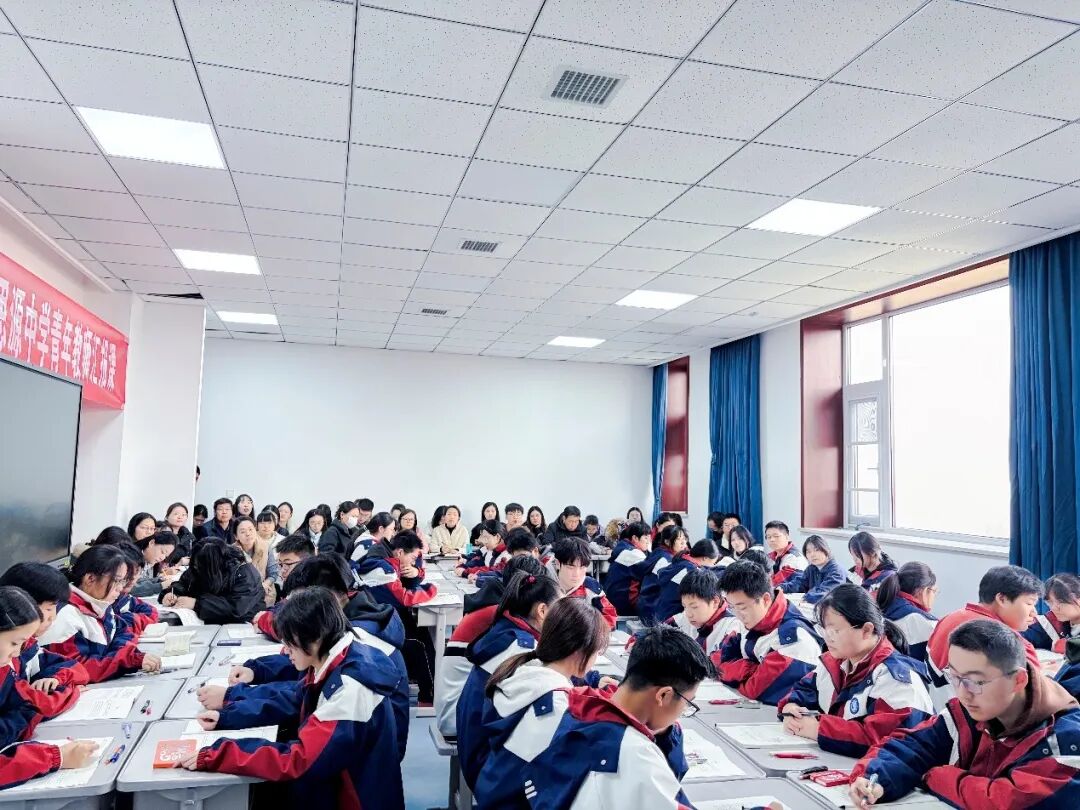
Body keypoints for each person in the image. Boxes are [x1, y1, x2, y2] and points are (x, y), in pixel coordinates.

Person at [180, 588, 404, 809]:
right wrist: (228, 716)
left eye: (289, 643)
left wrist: (219, 754)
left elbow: (299, 760)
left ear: (315, 637)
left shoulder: (349, 689)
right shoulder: (336, 655)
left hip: (353, 798)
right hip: (336, 783)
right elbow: (295, 699)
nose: (286, 651)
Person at [848, 620, 1080, 810]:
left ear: (1018, 680)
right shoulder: (970, 710)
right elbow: (912, 744)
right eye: (955, 677)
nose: (962, 693)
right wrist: (875, 777)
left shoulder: (1068, 738)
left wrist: (936, 776)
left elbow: (1007, 802)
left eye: (975, 681)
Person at [220, 554, 411, 762]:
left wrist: (236, 696)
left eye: (301, 604)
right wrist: (256, 671)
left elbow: (304, 688)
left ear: (325, 598)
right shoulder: (348, 619)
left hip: (367, 756)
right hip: (358, 742)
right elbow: (304, 677)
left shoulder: (359, 641)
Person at [523, 624, 710, 809]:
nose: (683, 711)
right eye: (688, 702)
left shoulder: (579, 707)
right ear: (663, 695)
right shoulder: (637, 756)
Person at [474, 598, 611, 809]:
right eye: (597, 651)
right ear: (578, 651)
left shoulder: (525, 670)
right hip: (514, 801)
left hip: (493, 789)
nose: (595, 659)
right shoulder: (555, 707)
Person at [779, 584, 934, 758]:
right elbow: (805, 688)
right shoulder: (834, 662)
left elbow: (887, 740)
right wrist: (792, 706)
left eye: (835, 631)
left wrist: (819, 729)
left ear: (866, 630)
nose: (828, 638)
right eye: (824, 629)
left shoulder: (897, 678)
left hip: (875, 773)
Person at [456, 570, 562, 790]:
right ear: (542, 611)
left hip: (475, 748)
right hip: (487, 767)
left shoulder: (505, 631)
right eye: (560, 610)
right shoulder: (521, 650)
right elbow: (554, 682)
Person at [0, 585, 100, 790]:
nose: (17, 653)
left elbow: (33, 705)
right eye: (14, 643)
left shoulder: (6, 666)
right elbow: (36, 707)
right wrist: (56, 757)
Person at [437, 557, 548, 737]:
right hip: (459, 718)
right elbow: (537, 657)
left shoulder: (497, 605)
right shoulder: (502, 615)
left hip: (458, 707)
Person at [926, 565, 1042, 708]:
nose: (1034, 612)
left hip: (940, 707)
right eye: (1029, 603)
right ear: (1002, 599)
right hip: (977, 714)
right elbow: (1037, 692)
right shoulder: (1007, 641)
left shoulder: (950, 618)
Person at [38, 544, 159, 681]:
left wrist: (122, 655)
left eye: (123, 581)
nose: (121, 588)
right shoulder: (64, 616)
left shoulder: (100, 605)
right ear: (90, 578)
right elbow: (76, 669)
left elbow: (122, 631)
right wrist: (127, 660)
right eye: (117, 581)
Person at [714, 559, 824, 704]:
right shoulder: (749, 620)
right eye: (732, 607)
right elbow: (716, 660)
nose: (738, 615)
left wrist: (733, 671)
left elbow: (755, 690)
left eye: (742, 607)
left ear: (766, 599)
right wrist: (747, 669)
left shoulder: (795, 639)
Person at [353, 529, 437, 705]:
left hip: (382, 615)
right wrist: (431, 589)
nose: (413, 562)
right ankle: (428, 695)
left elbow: (408, 583)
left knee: (422, 631)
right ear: (399, 552)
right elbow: (405, 597)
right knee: (421, 642)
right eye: (412, 558)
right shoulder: (382, 568)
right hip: (378, 622)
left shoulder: (387, 559)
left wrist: (416, 573)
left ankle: (425, 686)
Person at [0, 563, 89, 693]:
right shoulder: (4, 657)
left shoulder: (29, 646)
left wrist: (56, 679)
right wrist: (69, 693)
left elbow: (76, 668)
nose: (53, 617)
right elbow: (25, 700)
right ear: (24, 605)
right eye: (49, 608)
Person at [161, 539, 265, 624]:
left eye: (200, 567)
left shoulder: (245, 573)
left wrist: (197, 604)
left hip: (243, 625)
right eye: (196, 565)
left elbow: (236, 608)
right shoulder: (199, 567)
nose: (197, 568)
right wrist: (172, 594)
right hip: (203, 624)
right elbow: (184, 584)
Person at [875, 562, 939, 665]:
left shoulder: (881, 606)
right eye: (934, 591)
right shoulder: (927, 623)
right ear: (923, 591)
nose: (934, 596)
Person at [667, 568, 741, 655]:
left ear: (715, 602)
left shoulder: (732, 628)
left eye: (694, 607)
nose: (688, 614)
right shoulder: (679, 621)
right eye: (684, 606)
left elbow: (722, 660)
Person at [551, 537, 617, 628]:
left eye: (582, 567)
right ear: (558, 563)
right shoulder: (546, 585)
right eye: (571, 567)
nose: (576, 574)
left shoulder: (591, 588)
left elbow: (610, 618)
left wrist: (589, 629)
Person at [651, 539, 720, 625]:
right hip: (671, 620)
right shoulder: (692, 571)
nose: (713, 566)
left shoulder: (680, 562)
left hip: (659, 613)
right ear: (705, 558)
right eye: (713, 563)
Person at [637, 524, 690, 623]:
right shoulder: (665, 560)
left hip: (647, 605)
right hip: (652, 610)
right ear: (667, 542)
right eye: (679, 539)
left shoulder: (660, 552)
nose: (683, 542)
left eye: (684, 539)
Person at [779, 534, 847, 604]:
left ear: (826, 550)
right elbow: (800, 584)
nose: (812, 555)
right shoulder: (811, 568)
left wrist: (806, 598)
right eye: (808, 552)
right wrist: (782, 588)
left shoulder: (837, 571)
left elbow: (825, 593)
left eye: (816, 550)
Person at [604, 520, 652, 616]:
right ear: (635, 538)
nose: (648, 542)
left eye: (650, 538)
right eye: (646, 538)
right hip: (625, 604)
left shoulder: (623, 547)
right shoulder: (633, 553)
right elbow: (653, 572)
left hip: (614, 600)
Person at [1024, 574, 1080, 653]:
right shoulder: (1049, 622)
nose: (1054, 608)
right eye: (1050, 602)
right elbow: (1018, 639)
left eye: (1060, 602)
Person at [233, 516, 279, 607]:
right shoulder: (231, 552)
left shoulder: (265, 547)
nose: (248, 534)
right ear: (236, 536)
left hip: (264, 594)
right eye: (243, 531)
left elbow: (273, 573)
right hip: (241, 596)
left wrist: (265, 584)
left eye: (251, 529)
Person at [125, 529, 179, 598]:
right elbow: (129, 588)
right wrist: (160, 586)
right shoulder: (130, 556)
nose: (162, 558)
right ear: (152, 543)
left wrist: (158, 580)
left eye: (166, 556)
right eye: (162, 552)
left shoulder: (151, 561)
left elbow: (140, 581)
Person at [763, 520, 807, 586]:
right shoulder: (771, 555)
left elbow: (777, 583)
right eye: (769, 537)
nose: (772, 540)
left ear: (787, 537)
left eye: (776, 536)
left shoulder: (794, 558)